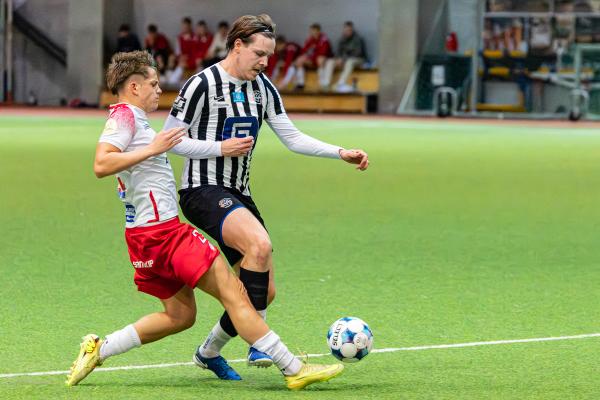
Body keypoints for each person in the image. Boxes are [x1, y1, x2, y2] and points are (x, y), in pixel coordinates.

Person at [65, 50, 344, 390]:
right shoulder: (124, 116)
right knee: (236, 294)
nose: (159, 90)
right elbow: (101, 164)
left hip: (142, 237)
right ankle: (293, 368)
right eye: (153, 84)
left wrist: (190, 147)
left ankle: (100, 348)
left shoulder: (134, 119)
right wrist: (154, 148)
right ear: (134, 87)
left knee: (180, 316)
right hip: (164, 234)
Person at [164, 14, 369, 380]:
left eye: (269, 56)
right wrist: (220, 148)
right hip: (201, 190)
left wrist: (340, 152)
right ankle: (259, 342)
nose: (264, 62)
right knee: (259, 245)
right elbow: (170, 140)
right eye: (259, 54)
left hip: (238, 192)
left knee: (264, 290)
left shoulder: (263, 88)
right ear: (237, 45)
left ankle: (208, 351)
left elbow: (293, 138)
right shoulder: (201, 84)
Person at [322, 21, 367, 92]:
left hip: (359, 59)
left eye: (349, 30)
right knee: (330, 61)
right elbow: (337, 52)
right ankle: (326, 84)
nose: (347, 32)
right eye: (346, 30)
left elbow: (357, 53)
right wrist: (338, 59)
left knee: (350, 62)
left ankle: (341, 83)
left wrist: (343, 59)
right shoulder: (341, 39)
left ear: (352, 30)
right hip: (344, 60)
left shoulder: (358, 39)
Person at [293, 23, 333, 90]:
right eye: (311, 31)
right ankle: (300, 84)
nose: (312, 33)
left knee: (320, 59)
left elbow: (323, 53)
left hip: (325, 59)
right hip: (313, 59)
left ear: (318, 31)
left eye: (314, 31)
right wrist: (306, 58)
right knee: (299, 60)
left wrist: (311, 59)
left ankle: (323, 83)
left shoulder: (324, 39)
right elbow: (304, 51)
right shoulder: (310, 39)